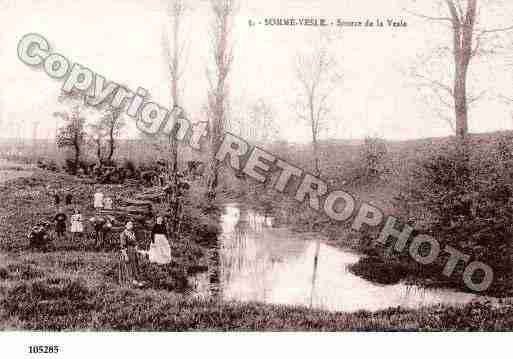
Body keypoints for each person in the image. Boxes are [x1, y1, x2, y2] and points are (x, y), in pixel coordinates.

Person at [119, 221, 143, 287]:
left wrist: (137, 249)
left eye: (131, 224)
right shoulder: (123, 234)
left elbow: (135, 243)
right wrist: (125, 255)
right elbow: (122, 246)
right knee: (128, 266)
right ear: (125, 226)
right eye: (129, 224)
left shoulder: (132, 233)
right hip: (127, 252)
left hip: (133, 252)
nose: (130, 225)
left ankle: (136, 280)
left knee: (135, 266)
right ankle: (130, 281)